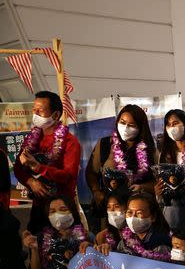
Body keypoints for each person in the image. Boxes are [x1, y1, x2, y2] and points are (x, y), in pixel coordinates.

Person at [13, 91, 81, 233]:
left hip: (62, 208)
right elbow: (18, 168)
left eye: (40, 111)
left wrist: (39, 167)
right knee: (36, 247)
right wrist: (31, 182)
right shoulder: (32, 139)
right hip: (39, 208)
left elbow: (68, 175)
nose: (35, 114)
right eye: (34, 110)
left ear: (55, 115)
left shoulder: (70, 142)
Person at [85, 104, 157, 218]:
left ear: (140, 127)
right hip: (110, 209)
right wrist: (96, 192)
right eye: (122, 122)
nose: (126, 128)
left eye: (131, 125)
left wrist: (142, 187)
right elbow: (91, 173)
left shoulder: (150, 150)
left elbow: (157, 182)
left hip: (137, 211)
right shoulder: (104, 144)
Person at [111, 192, 171, 260]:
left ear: (153, 217)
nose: (133, 217)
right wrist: (108, 251)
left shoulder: (161, 244)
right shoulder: (125, 239)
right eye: (129, 212)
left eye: (139, 213)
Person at [81, 188, 130, 255]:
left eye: (116, 206)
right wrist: (90, 248)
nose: (112, 211)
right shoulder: (101, 236)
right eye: (108, 207)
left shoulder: (138, 234)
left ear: (128, 208)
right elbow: (98, 258)